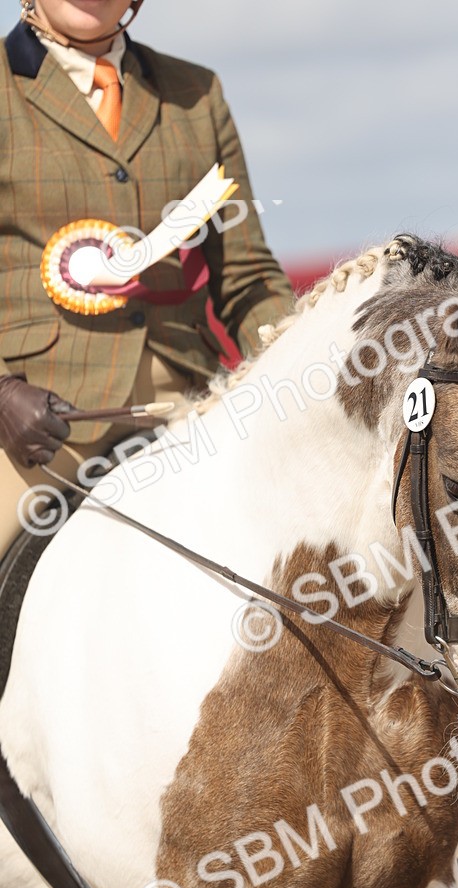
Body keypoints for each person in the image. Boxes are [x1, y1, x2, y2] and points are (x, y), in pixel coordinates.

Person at [0, 0, 294, 553]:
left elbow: (247, 275)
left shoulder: (197, 94)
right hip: (36, 421)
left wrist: (309, 366)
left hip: (187, 403)